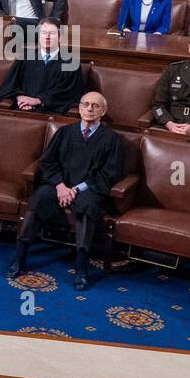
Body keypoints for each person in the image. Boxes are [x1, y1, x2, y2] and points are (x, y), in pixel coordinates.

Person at [8, 93, 123, 291]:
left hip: (89, 189)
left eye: (95, 106)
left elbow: (108, 174)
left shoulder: (111, 139)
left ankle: (81, 267)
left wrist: (76, 189)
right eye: (85, 104)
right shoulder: (65, 132)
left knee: (88, 207)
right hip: (59, 186)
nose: (89, 109)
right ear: (78, 108)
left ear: (102, 112)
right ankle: (19, 256)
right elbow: (47, 163)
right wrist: (60, 186)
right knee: (38, 200)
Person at [0, 19, 85, 114]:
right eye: (44, 33)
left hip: (52, 114)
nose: (47, 37)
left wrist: (39, 100)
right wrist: (20, 98)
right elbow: (10, 85)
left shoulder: (71, 62)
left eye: (52, 33)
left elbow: (70, 94)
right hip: (23, 111)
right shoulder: (25, 58)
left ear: (60, 37)